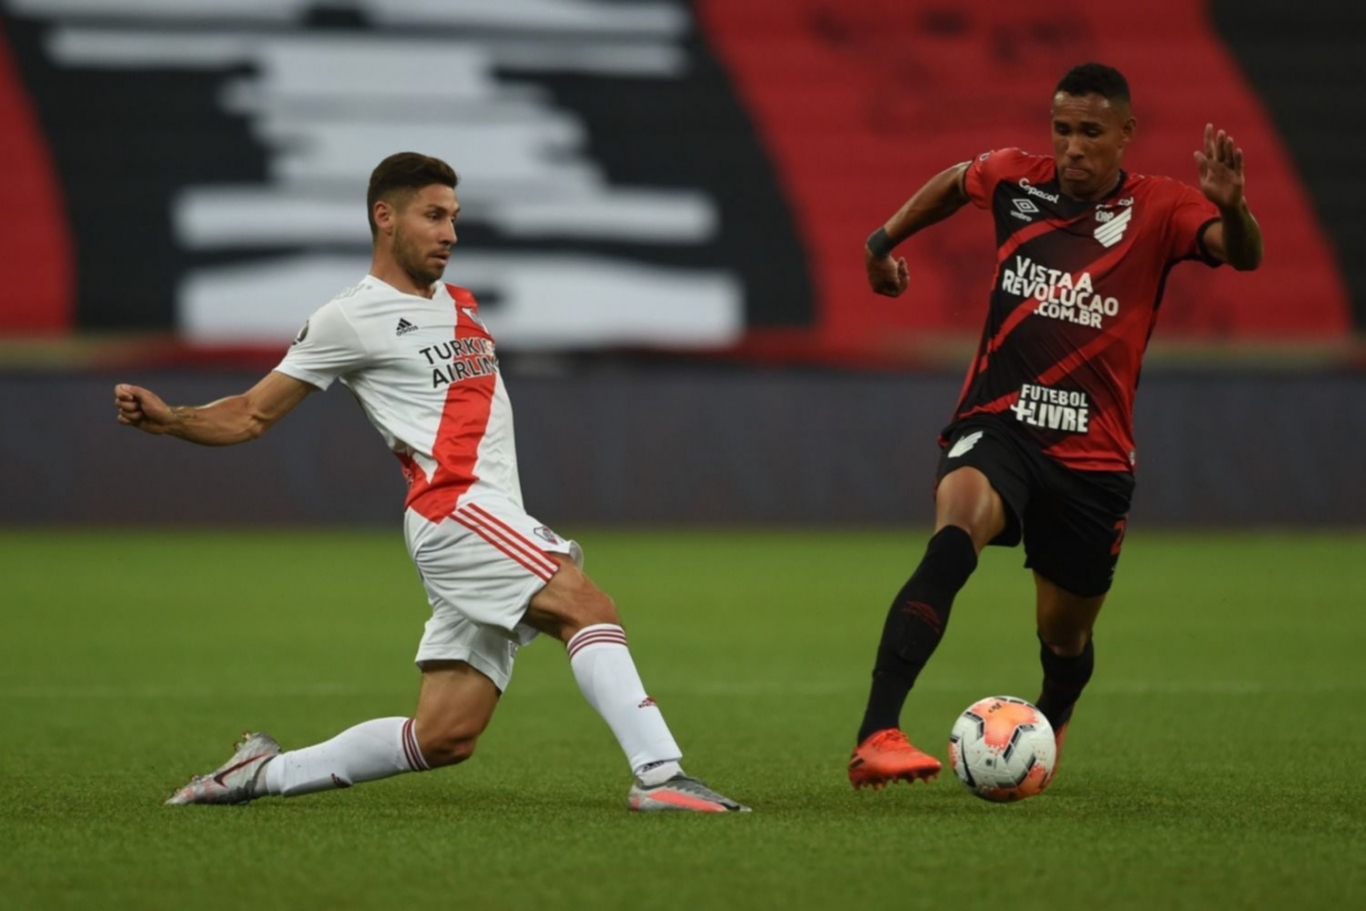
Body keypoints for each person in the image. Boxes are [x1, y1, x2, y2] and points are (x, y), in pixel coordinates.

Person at [116, 152, 748, 813]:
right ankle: (660, 774)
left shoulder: (457, 304)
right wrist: (172, 422)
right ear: (384, 218)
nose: (449, 232)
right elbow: (251, 413)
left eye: (454, 218)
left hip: (486, 516)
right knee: (586, 606)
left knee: (444, 735)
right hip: (454, 510)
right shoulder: (350, 317)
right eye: (434, 215)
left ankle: (256, 773)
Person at [847, 63, 1263, 789]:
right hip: (1000, 422)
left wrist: (1234, 211)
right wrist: (881, 243)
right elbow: (954, 180)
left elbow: (1244, 254)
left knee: (1064, 634)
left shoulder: (1162, 209)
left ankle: (1052, 713)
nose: (1072, 147)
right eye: (1063, 129)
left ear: (1126, 134)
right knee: (954, 535)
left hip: (1093, 458)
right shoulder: (1016, 180)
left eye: (1091, 133)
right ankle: (876, 732)